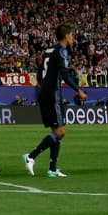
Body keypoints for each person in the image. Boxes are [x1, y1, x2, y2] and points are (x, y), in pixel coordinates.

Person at [23, 24, 88, 178]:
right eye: (71, 34)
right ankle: (31, 156)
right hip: (52, 94)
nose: (73, 37)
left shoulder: (49, 50)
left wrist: (43, 87)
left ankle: (52, 169)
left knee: (56, 131)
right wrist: (78, 90)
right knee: (60, 132)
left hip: (44, 92)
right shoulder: (61, 51)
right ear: (66, 36)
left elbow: (39, 72)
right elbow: (64, 74)